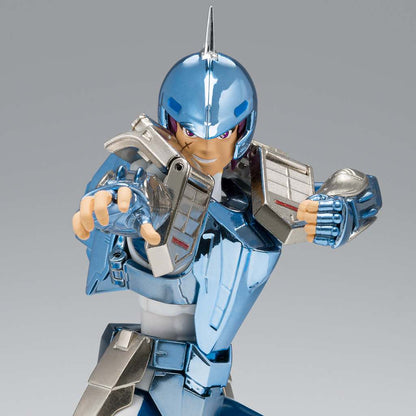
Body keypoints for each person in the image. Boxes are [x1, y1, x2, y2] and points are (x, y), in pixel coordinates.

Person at [72, 7, 382, 416]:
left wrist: (339, 210)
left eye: (221, 134)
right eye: (190, 132)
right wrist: (121, 205)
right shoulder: (151, 177)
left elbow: (359, 191)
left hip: (208, 376)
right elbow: (133, 192)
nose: (205, 148)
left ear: (242, 130)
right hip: (145, 371)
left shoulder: (254, 184)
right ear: (170, 125)